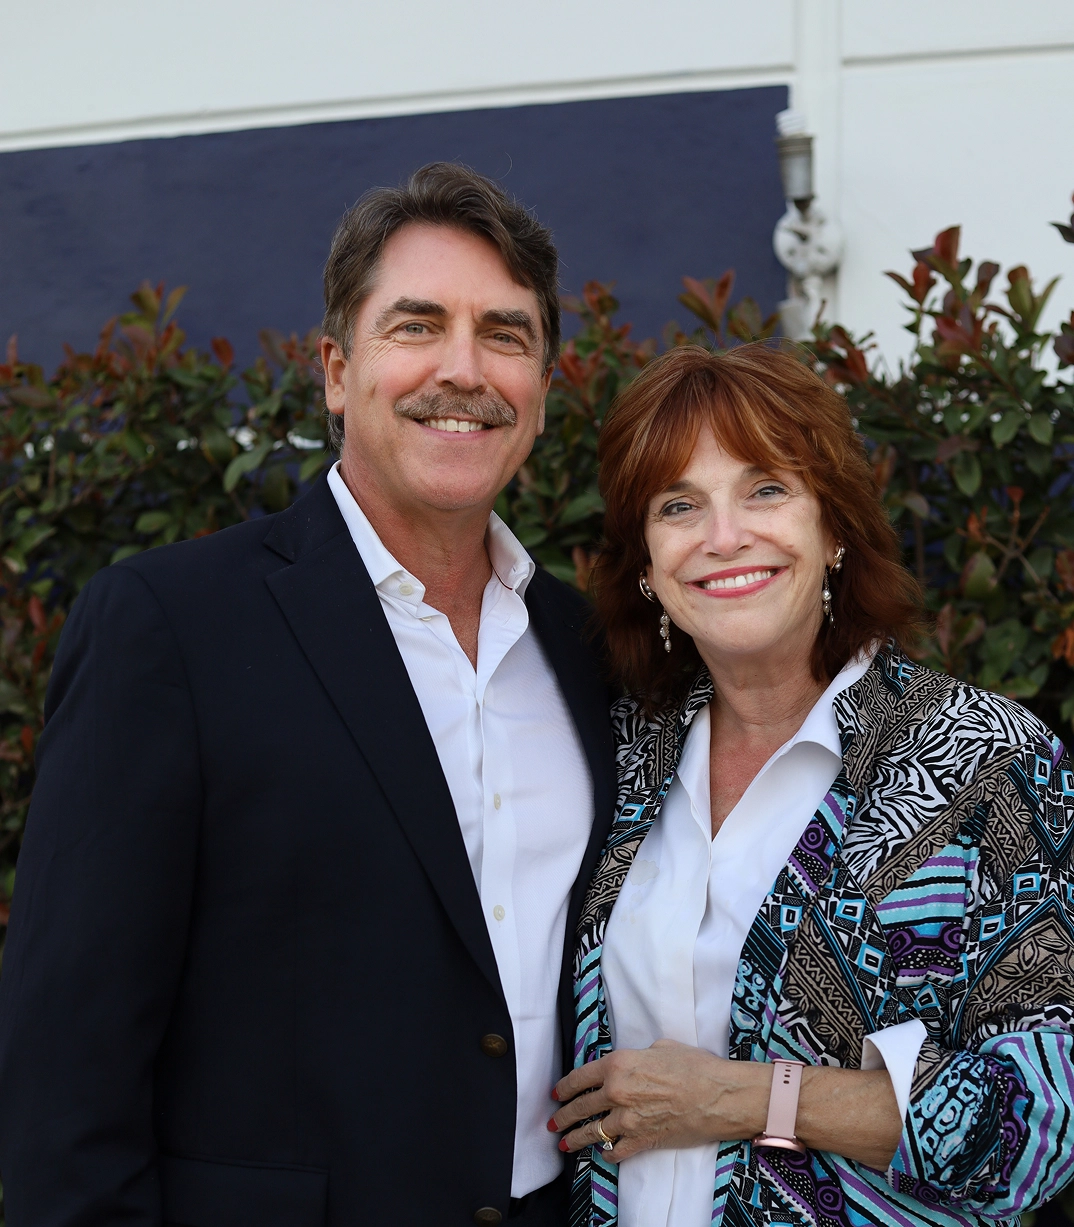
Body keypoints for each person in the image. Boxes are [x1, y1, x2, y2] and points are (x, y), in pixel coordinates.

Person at [0, 163, 615, 1227]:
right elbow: (67, 1063)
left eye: (505, 335)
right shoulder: (168, 626)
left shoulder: (579, 642)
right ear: (336, 369)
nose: (462, 370)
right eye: (416, 326)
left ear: (543, 389)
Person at [548, 343, 1074, 1227]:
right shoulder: (620, 753)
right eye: (679, 505)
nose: (724, 536)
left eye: (765, 489)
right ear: (645, 563)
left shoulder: (987, 762)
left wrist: (746, 1098)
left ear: (833, 528)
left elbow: (1048, 1121)